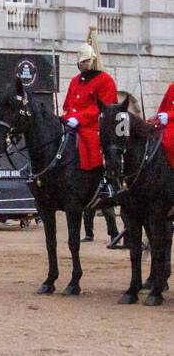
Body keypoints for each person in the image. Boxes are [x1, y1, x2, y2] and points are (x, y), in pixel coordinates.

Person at [63, 28, 120, 246]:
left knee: (92, 142)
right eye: (80, 62)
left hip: (95, 127)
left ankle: (104, 181)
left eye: (85, 62)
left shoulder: (104, 80)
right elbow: (68, 105)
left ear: (92, 61)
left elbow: (106, 108)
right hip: (73, 124)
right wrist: (68, 117)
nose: (82, 65)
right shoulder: (75, 81)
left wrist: (81, 119)